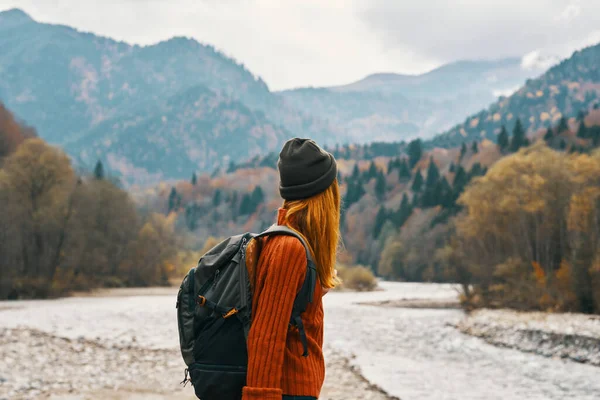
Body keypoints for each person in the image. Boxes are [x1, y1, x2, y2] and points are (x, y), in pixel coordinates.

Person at [242, 138, 341, 400]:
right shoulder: (289, 249)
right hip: (289, 393)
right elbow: (265, 336)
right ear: (324, 195)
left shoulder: (294, 244)